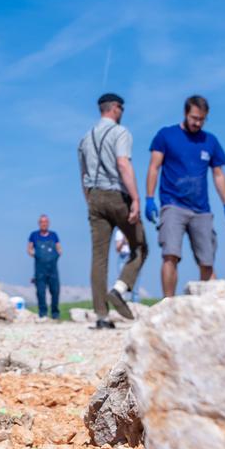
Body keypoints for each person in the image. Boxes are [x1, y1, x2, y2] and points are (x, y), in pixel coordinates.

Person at [145, 95, 225, 298]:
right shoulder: (166, 135)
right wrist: (149, 198)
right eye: (194, 118)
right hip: (173, 204)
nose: (197, 123)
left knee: (207, 261)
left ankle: (207, 307)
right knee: (171, 255)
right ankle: (168, 304)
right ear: (185, 113)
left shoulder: (210, 141)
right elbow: (154, 167)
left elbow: (218, 174)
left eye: (202, 119)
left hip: (201, 209)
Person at [77, 92, 145, 329]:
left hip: (94, 197)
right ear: (115, 108)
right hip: (117, 196)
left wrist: (89, 199)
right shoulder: (120, 133)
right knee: (140, 246)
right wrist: (135, 198)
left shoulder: (85, 138)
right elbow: (123, 164)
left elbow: (83, 174)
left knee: (99, 257)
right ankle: (120, 288)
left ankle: (101, 316)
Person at [27, 214, 62, 319]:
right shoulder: (34, 235)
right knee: (40, 292)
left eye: (45, 222)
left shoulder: (54, 235)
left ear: (48, 223)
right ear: (39, 224)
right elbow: (29, 249)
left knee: (55, 291)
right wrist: (36, 255)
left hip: (52, 269)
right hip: (40, 269)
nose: (44, 224)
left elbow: (59, 248)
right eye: (42, 222)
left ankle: (55, 314)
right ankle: (43, 314)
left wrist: (56, 255)